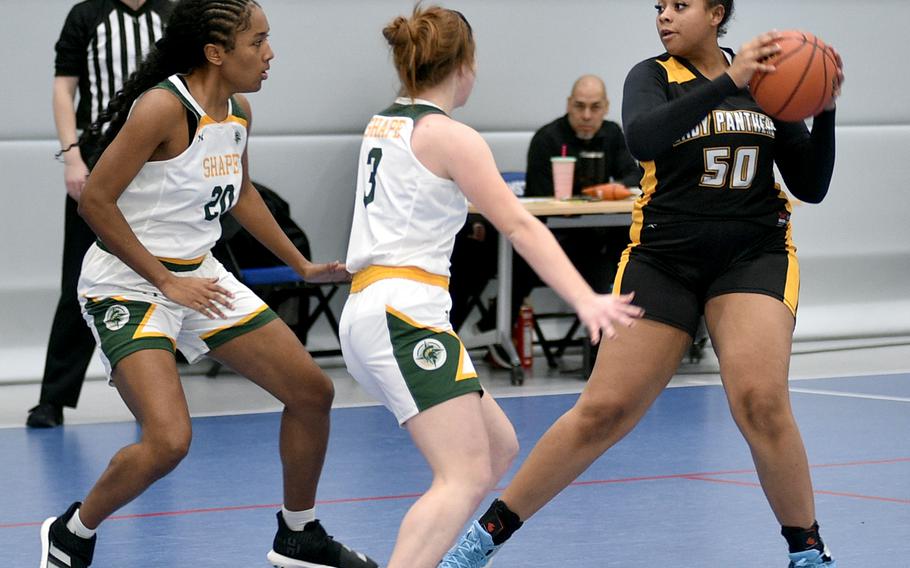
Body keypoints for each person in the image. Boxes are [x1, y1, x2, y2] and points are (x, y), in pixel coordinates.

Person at [441, 1, 844, 567]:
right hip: (664, 257)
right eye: (660, 7)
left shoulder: (768, 83)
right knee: (603, 411)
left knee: (761, 401)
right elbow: (643, 138)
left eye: (680, 5)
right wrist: (729, 80)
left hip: (753, 255)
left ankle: (808, 553)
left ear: (717, 13)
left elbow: (813, 184)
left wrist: (823, 108)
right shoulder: (651, 76)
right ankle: (481, 540)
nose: (664, 17)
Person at [37, 2, 377, 567]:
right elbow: (95, 201)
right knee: (169, 441)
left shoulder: (238, 110)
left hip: (198, 276)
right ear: (216, 53)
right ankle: (72, 532)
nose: (270, 55)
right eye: (257, 42)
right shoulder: (161, 108)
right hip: (128, 284)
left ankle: (299, 535)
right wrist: (165, 280)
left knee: (312, 392)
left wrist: (301, 264)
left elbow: (240, 193)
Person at [338, 6, 644, 568]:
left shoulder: (386, 122)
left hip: (384, 307)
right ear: (465, 65)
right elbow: (521, 224)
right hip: (402, 314)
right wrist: (585, 298)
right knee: (464, 474)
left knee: (498, 446)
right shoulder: (451, 137)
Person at [28, 0, 172, 429]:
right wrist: (72, 157)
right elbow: (63, 87)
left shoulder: (171, 13)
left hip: (160, 157)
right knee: (77, 277)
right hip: (98, 155)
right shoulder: (87, 15)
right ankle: (53, 398)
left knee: (166, 268)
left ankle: (157, 393)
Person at [448, 75, 640, 336]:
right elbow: (540, 196)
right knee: (508, 254)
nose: (586, 115)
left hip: (599, 237)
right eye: (579, 106)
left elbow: (633, 177)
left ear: (605, 107)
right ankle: (490, 328)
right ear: (568, 104)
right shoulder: (548, 138)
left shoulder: (613, 134)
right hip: (556, 236)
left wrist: (606, 192)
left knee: (630, 251)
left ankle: (619, 341)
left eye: (594, 107)